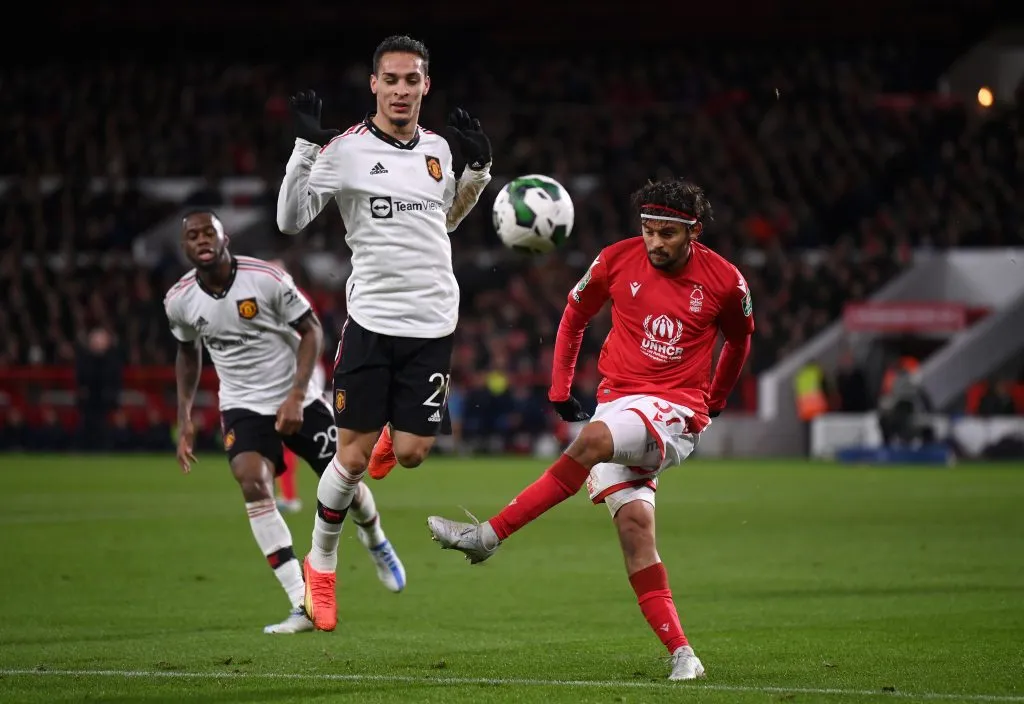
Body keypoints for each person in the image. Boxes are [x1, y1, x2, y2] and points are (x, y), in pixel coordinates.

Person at [427, 179, 755, 681]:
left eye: (667, 234)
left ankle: (488, 536)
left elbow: (739, 340)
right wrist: (559, 387)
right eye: (648, 231)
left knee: (593, 442)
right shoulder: (615, 260)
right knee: (635, 532)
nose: (655, 243)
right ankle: (683, 654)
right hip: (618, 404)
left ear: (694, 232)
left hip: (674, 411)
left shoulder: (726, 281)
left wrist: (714, 400)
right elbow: (574, 314)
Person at [276, 34, 492, 631]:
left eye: (412, 80)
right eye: (390, 80)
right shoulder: (344, 151)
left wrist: (477, 171)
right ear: (374, 84)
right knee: (348, 457)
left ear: (427, 85)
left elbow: (443, 220)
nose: (401, 90)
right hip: (372, 322)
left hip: (433, 322)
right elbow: (289, 220)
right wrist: (303, 146)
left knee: (415, 455)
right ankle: (320, 565)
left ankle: (391, 440)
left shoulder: (440, 150)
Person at [164, 211, 406, 635]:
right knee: (252, 483)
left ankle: (375, 539)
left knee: (347, 476)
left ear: (225, 237)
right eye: (192, 236)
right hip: (241, 403)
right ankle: (302, 601)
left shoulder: (266, 279)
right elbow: (187, 353)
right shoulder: (179, 299)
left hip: (298, 395)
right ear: (185, 247)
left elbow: (312, 330)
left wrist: (296, 395)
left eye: (209, 232)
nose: (201, 240)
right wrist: (184, 417)